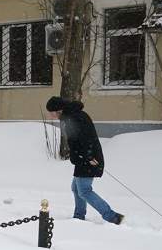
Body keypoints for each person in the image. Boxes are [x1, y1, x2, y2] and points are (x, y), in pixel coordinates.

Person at [46, 96, 124, 225]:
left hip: (88, 158)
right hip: (83, 158)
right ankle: (79, 216)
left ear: (58, 110)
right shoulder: (71, 116)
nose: (50, 115)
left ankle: (113, 217)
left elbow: (86, 138)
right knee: (76, 188)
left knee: (84, 190)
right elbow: (77, 140)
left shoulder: (74, 117)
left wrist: (89, 157)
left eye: (51, 112)